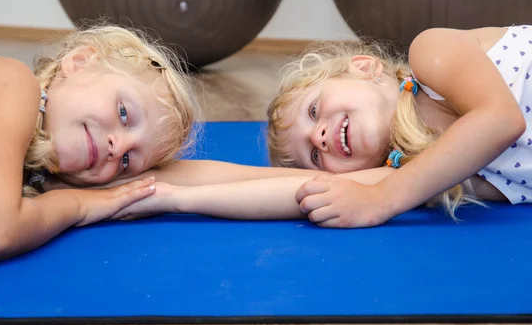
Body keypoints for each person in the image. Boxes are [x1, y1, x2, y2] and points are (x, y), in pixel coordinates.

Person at [98, 25, 531, 227]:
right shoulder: (427, 174)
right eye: (315, 157)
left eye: (313, 111)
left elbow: (499, 119)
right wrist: (168, 197)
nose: (320, 135)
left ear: (365, 67)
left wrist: (383, 198)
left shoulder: (430, 55)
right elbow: (291, 192)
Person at [0, 23, 198, 264]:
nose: (117, 149)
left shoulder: (32, 174)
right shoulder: (12, 84)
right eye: (124, 113)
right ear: (79, 62)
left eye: (127, 161)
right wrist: (78, 205)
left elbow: (179, 178)